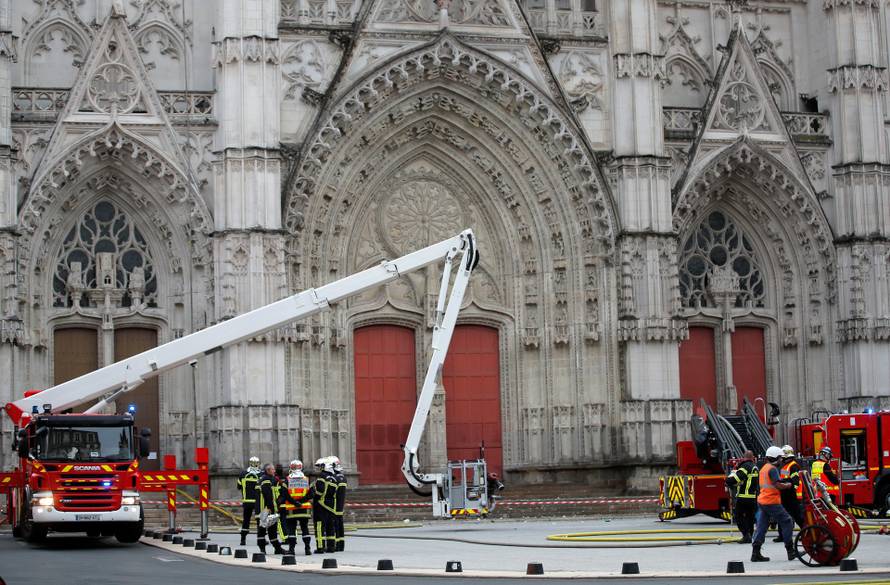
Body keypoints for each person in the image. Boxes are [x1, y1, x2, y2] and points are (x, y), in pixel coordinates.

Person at [751, 446, 796, 562]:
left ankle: (755, 553)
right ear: (776, 458)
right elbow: (778, 485)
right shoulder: (773, 469)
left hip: (763, 501)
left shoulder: (764, 468)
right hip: (772, 501)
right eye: (780, 457)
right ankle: (790, 551)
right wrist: (789, 485)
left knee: (762, 526)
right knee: (787, 521)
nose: (781, 460)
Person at [278, 459, 313, 556]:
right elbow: (311, 494)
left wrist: (295, 502)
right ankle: (307, 549)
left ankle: (291, 549)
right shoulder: (306, 479)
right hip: (304, 508)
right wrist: (301, 502)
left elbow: (284, 494)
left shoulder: (287, 480)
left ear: (291, 467)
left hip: (291, 508)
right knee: (305, 528)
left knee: (292, 529)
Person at [725, 450, 758, 544]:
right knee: (750, 517)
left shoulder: (745, 467)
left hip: (744, 497)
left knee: (738, 516)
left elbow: (736, 478)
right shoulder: (755, 467)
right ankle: (750, 535)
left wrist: (728, 480)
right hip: (753, 497)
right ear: (752, 457)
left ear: (744, 457)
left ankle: (746, 535)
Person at [256, 462, 285, 555]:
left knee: (272, 530)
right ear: (268, 470)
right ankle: (262, 549)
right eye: (273, 469)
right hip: (265, 510)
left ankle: (277, 548)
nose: (274, 471)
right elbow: (268, 495)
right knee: (262, 530)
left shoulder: (269, 479)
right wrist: (271, 508)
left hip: (268, 509)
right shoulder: (266, 480)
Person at [775, 445, 803, 541]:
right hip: (786, 495)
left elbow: (795, 482)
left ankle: (806, 533)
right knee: (781, 515)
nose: (781, 459)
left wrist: (787, 489)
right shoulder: (786, 466)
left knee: (798, 517)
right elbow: (785, 479)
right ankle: (782, 535)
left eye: (782, 457)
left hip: (792, 496)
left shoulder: (793, 466)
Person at [236, 456, 261, 546]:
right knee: (259, 521)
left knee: (246, 520)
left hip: (247, 501)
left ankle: (243, 540)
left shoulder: (243, 474)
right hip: (258, 502)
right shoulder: (261, 474)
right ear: (258, 464)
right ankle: (260, 539)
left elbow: (239, 486)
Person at [330, 456, 347, 551]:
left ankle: (336, 544)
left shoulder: (334, 478)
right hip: (340, 505)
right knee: (340, 525)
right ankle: (341, 544)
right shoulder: (343, 477)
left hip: (334, 505)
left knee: (335, 525)